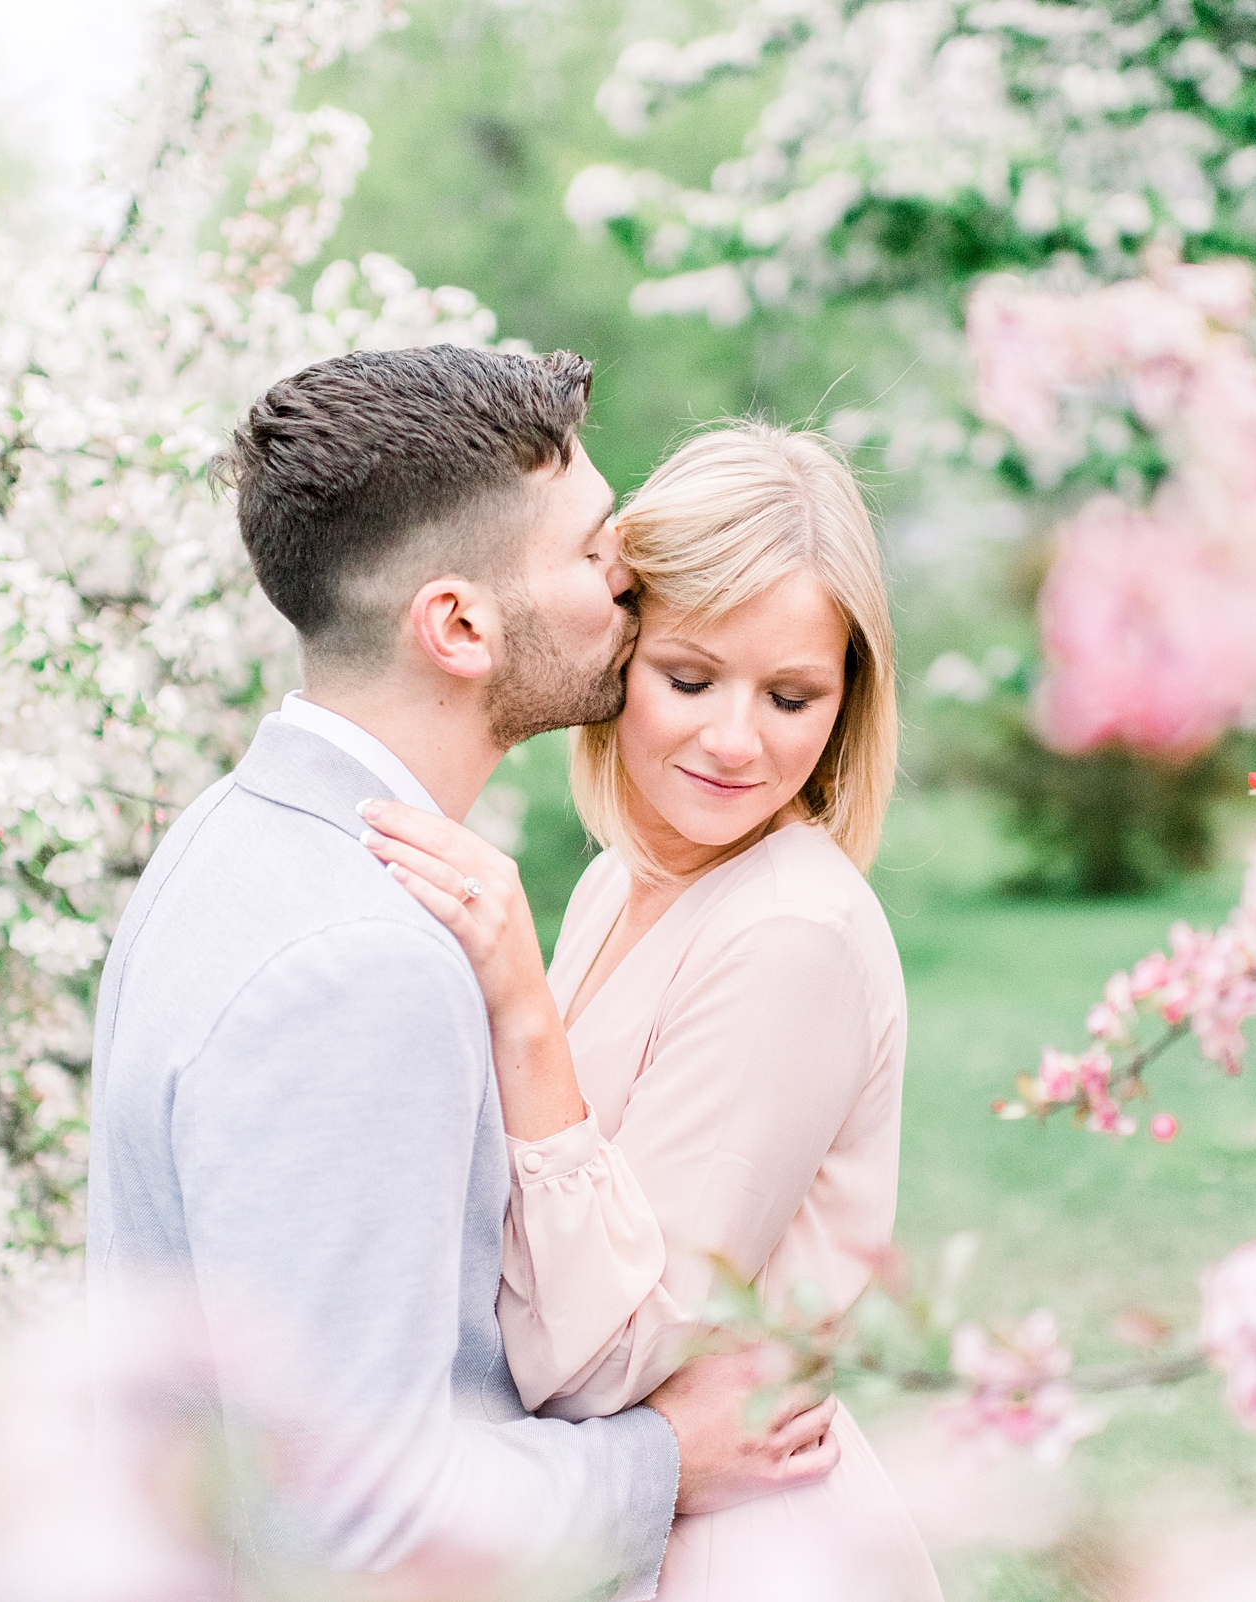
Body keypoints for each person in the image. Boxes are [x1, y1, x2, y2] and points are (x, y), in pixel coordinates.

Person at [83, 351, 842, 1601]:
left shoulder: (228, 836)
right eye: (597, 552)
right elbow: (353, 1522)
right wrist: (662, 1461)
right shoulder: (360, 965)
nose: (633, 581)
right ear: (460, 625)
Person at [361, 424, 943, 1600]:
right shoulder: (617, 880)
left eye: (792, 696)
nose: (736, 741)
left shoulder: (790, 933)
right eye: (690, 678)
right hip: (626, 1533)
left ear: (849, 702)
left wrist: (523, 1012)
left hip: (738, 1551)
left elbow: (611, 1359)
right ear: (619, 651)